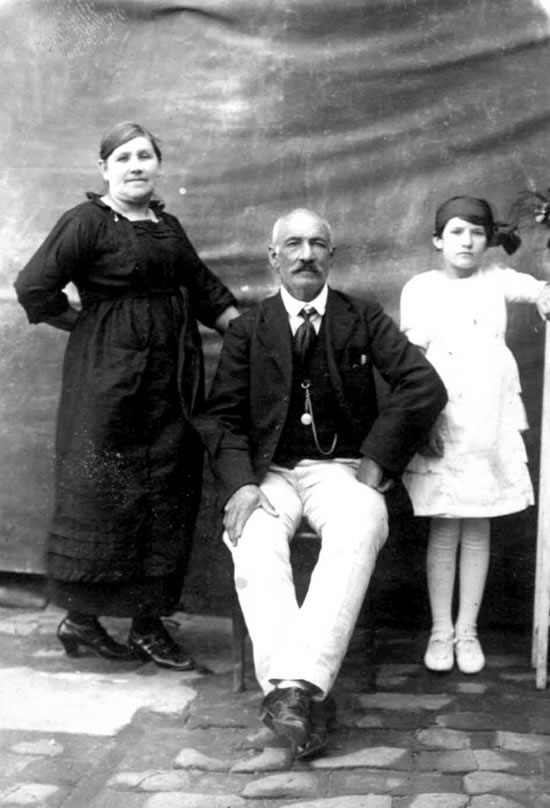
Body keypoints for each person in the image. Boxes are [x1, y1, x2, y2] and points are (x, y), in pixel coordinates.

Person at [195, 208, 447, 758]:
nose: (305, 255)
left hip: (341, 470)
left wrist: (378, 459)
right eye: (292, 245)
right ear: (274, 257)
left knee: (362, 521)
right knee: (252, 536)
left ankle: (291, 694)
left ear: (332, 256)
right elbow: (222, 419)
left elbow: (423, 386)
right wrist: (241, 485)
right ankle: (302, 696)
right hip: (270, 474)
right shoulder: (248, 329)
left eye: (316, 245)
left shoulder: (362, 317)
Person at [14, 121, 239, 669]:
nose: (136, 166)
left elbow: (204, 288)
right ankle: (82, 619)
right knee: (104, 492)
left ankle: (147, 626)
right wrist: (92, 328)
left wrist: (251, 331)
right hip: (107, 383)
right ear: (105, 169)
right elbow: (33, 287)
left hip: (171, 381)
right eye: (124, 158)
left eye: (145, 156)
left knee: (165, 488)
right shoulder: (86, 222)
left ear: (157, 165)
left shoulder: (167, 226)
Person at [400, 195, 550, 675]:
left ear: (489, 241)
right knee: (446, 525)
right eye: (458, 232)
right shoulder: (420, 289)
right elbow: (410, 362)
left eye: (478, 233)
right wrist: (422, 420)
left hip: (489, 422)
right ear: (438, 240)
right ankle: (440, 629)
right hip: (444, 419)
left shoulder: (498, 281)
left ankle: (469, 630)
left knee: (478, 524)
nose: (467, 241)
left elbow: (539, 290)